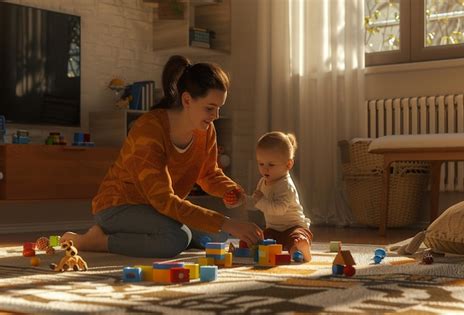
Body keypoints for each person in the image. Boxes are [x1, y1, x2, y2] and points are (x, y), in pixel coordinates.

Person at [61, 55, 263, 258]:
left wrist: (230, 190)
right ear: (186, 100)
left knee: (218, 236)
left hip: (159, 210)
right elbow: (164, 200)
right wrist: (227, 222)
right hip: (119, 207)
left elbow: (209, 173)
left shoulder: (206, 130)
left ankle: (152, 233)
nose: (215, 116)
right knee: (176, 238)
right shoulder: (149, 130)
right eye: (210, 108)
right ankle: (97, 241)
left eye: (219, 108)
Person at [251, 131, 313, 262]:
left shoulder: (286, 185)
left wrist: (260, 201)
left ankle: (300, 250)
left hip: (295, 226)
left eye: (271, 165)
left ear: (288, 165)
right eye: (261, 164)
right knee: (263, 238)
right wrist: (242, 199)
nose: (265, 169)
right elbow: (256, 203)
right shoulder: (263, 182)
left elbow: (279, 209)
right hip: (274, 229)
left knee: (295, 238)